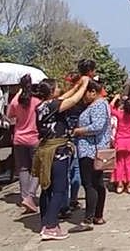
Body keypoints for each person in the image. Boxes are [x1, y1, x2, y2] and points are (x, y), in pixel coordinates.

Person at [32, 76, 88, 242]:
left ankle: (45, 221)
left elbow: (63, 98)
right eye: (57, 88)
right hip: (57, 152)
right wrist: (83, 85)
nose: (59, 90)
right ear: (51, 91)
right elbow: (73, 100)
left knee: (46, 188)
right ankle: (51, 226)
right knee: (59, 189)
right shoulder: (54, 105)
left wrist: (76, 85)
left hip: (46, 149)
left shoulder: (42, 106)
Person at [71, 81, 111, 231]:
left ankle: (88, 220)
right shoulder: (99, 105)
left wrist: (78, 131)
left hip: (91, 151)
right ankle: (97, 215)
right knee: (98, 184)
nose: (83, 98)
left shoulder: (98, 106)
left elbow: (97, 126)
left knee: (90, 185)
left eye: (85, 93)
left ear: (93, 92)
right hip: (94, 150)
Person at [7, 74, 41, 214]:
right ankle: (30, 197)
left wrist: (18, 94)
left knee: (23, 168)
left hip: (18, 139)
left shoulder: (17, 101)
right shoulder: (37, 101)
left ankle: (24, 197)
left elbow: (9, 114)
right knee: (37, 169)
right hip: (34, 139)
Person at [110, 96, 130, 193]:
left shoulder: (120, 115)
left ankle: (120, 184)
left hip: (120, 140)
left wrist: (115, 99)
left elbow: (110, 108)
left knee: (119, 164)